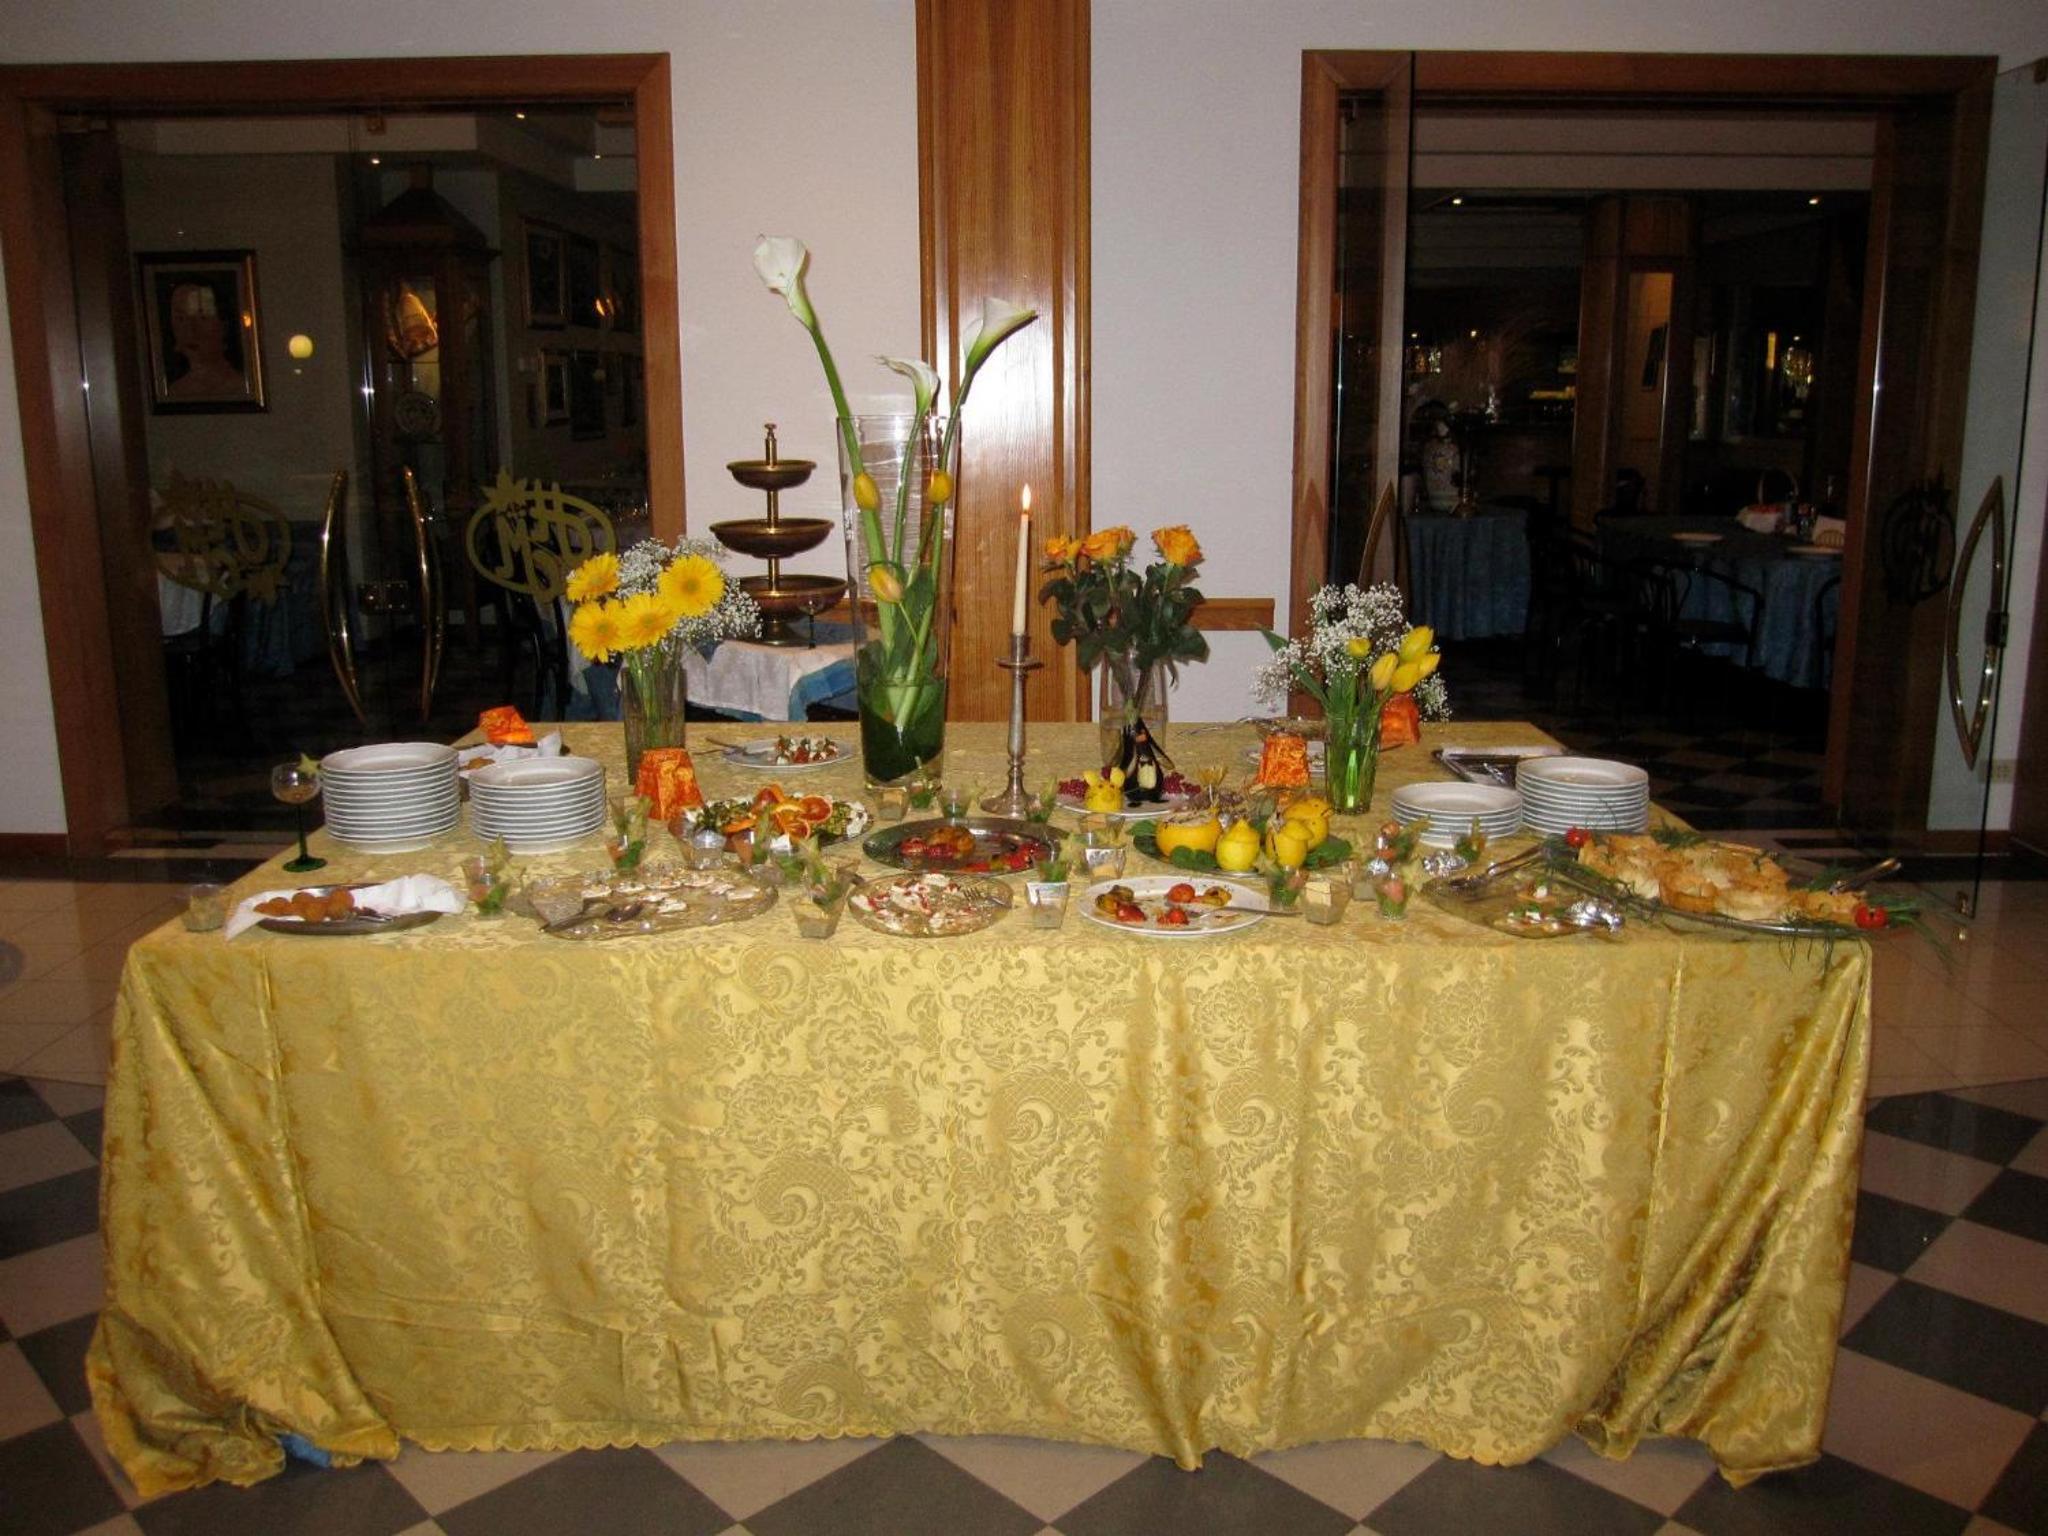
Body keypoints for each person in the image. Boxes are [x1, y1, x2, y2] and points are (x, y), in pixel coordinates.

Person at [162, 281, 246, 400]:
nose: (190, 329)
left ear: (224, 325)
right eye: (180, 318)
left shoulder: (241, 387)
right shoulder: (174, 392)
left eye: (202, 318)